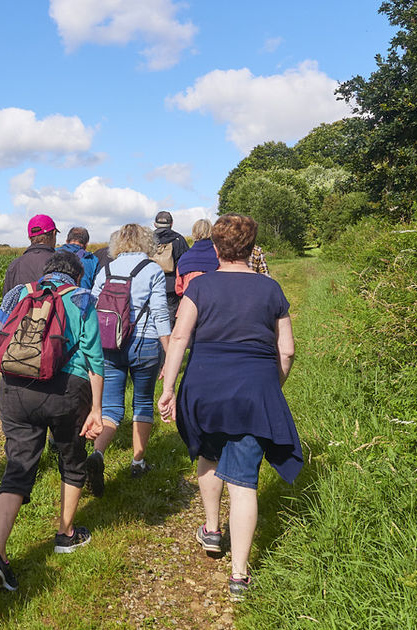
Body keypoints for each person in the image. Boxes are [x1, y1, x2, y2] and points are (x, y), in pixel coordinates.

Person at [157, 213, 300, 602]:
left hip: (205, 388)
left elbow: (181, 336)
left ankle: (211, 529)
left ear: (216, 248)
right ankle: (239, 576)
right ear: (252, 248)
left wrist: (168, 388)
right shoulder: (271, 289)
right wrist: (272, 386)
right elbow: (285, 349)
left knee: (208, 452)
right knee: (243, 481)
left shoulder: (199, 288)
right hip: (254, 391)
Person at [0, 251, 105, 591]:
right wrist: (96, 408)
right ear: (77, 276)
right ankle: (66, 534)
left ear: (48, 272)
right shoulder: (81, 298)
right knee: (71, 458)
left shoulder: (17, 294)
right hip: (67, 390)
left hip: (15, 388)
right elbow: (95, 358)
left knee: (18, 466)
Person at [86, 224, 171, 493]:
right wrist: (170, 354)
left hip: (110, 345)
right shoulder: (152, 269)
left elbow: (92, 307)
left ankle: (97, 454)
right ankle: (138, 462)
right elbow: (159, 312)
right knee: (143, 402)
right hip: (144, 344)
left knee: (111, 408)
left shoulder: (106, 270)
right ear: (147, 242)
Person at [3, 214, 58, 294]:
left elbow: (6, 302)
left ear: (29, 237)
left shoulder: (14, 266)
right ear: (54, 233)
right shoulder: (62, 264)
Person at [151, 211, 190, 323]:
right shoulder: (179, 239)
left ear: (155, 224)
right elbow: (184, 263)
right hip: (171, 285)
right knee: (170, 316)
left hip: (151, 283)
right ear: (172, 224)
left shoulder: (147, 239)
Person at [174, 218, 218, 295]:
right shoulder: (219, 256)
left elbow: (179, 289)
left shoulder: (184, 259)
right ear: (211, 232)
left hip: (191, 301)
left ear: (194, 232)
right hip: (215, 301)